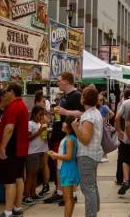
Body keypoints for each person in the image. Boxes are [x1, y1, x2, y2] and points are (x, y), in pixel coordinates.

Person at [46, 72, 84, 204]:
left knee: (67, 164)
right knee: (58, 165)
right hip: (58, 134)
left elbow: (83, 113)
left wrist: (65, 112)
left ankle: (70, 194)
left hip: (68, 135)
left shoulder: (77, 95)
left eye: (59, 80)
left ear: (67, 81)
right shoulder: (64, 96)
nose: (57, 82)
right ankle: (60, 191)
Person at [0, 83, 29, 217]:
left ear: (12, 92)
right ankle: (17, 207)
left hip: (12, 148)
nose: (4, 94)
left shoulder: (14, 106)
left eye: (5, 92)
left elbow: (9, 128)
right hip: (20, 148)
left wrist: (2, 147)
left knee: (10, 181)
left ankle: (8, 211)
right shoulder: (22, 105)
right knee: (18, 177)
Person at [71, 86, 103, 217]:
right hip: (93, 154)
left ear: (84, 99)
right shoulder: (95, 113)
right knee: (92, 186)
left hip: (86, 155)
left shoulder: (88, 116)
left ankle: (91, 214)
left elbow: (85, 139)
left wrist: (75, 127)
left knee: (88, 188)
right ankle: (94, 211)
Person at [48, 116, 80, 217]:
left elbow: (69, 156)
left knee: (68, 199)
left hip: (68, 169)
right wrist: (56, 154)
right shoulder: (68, 138)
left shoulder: (70, 139)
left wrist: (55, 155)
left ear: (70, 126)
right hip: (66, 168)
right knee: (69, 198)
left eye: (65, 122)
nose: (63, 124)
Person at [23, 106, 48, 205]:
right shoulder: (30, 124)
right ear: (34, 114)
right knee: (30, 174)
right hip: (32, 152)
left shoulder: (39, 124)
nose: (41, 117)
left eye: (43, 115)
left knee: (35, 173)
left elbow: (41, 137)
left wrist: (45, 134)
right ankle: (26, 195)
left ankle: (33, 193)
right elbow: (27, 138)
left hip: (40, 151)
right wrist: (39, 132)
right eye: (40, 115)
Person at [115, 87, 130, 195]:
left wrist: (119, 131)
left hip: (126, 137)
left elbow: (117, 118)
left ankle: (125, 180)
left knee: (124, 159)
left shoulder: (125, 103)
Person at [34, 91, 51, 197]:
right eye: (43, 101)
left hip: (43, 141)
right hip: (34, 143)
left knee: (44, 164)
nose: (45, 103)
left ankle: (46, 184)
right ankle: (41, 185)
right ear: (37, 102)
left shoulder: (43, 113)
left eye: (45, 101)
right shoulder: (35, 112)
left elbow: (47, 122)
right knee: (38, 166)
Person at [97, 93, 115, 163]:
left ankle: (105, 156)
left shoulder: (104, 107)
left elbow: (112, 114)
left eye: (101, 100)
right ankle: (102, 156)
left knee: (104, 140)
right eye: (99, 100)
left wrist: (106, 119)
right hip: (98, 126)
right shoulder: (96, 107)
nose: (100, 101)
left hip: (103, 126)